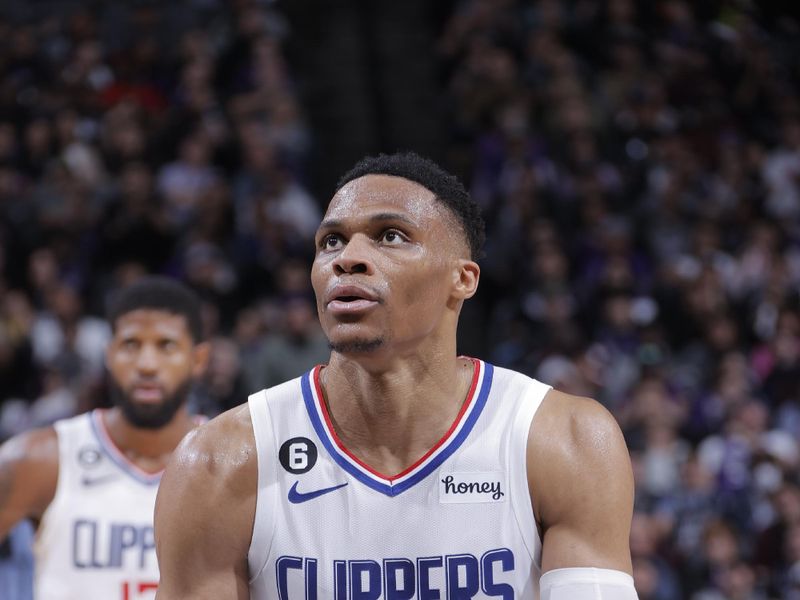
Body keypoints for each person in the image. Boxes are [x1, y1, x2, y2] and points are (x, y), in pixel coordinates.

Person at [154, 152, 639, 599]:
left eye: (391, 235)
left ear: (463, 279)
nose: (347, 258)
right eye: (331, 241)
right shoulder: (219, 461)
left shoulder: (563, 442)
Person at [0, 276, 210, 600]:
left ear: (198, 360)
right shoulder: (41, 459)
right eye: (131, 345)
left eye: (166, 345)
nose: (147, 364)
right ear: (109, 355)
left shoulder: (232, 462)